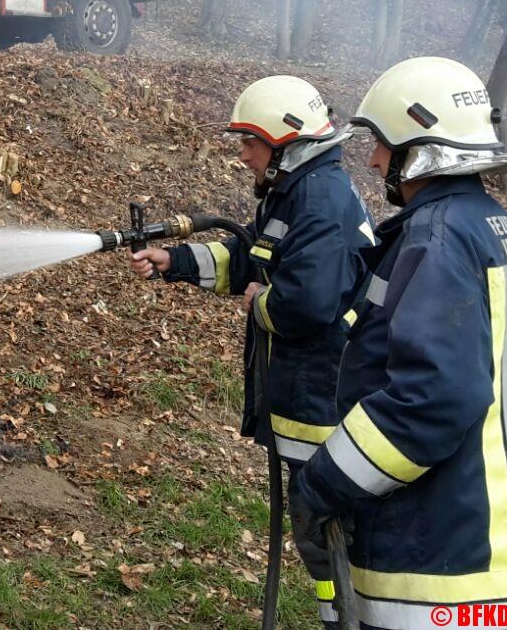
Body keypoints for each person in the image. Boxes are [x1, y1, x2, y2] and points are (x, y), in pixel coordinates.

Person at [292, 57, 507, 630]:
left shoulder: (438, 237)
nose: (372, 159)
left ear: (422, 149)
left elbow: (432, 399)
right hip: (505, 555)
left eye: (384, 147)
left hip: (443, 565)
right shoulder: (493, 229)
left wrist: (324, 482)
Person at [131, 76, 374, 627]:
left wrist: (262, 304)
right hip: (306, 399)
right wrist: (180, 262)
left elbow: (306, 302)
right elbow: (255, 259)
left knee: (328, 536)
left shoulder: (318, 198)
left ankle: (349, 621)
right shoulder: (300, 191)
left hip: (321, 404)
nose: (242, 156)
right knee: (319, 535)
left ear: (285, 142)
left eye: (249, 142)